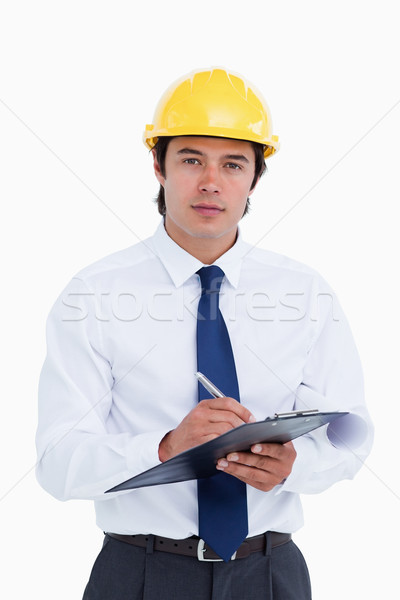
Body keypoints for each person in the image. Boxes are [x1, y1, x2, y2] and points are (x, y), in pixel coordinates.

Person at [36, 67, 373, 599]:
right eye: (191, 159)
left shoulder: (305, 291)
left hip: (270, 573)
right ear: (158, 166)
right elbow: (57, 463)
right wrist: (167, 447)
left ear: (255, 178)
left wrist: (293, 465)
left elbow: (351, 431)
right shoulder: (93, 295)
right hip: (140, 573)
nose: (211, 182)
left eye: (233, 164)